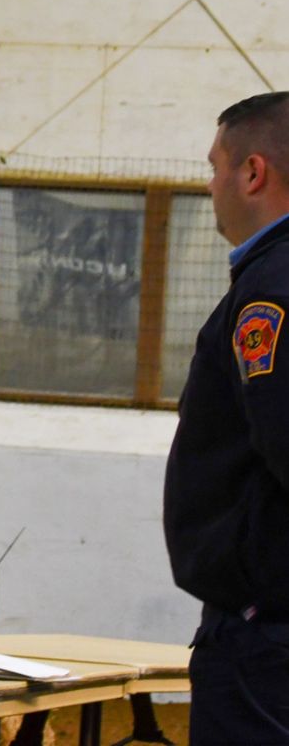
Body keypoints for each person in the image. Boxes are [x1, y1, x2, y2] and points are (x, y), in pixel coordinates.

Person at [164, 91, 289, 743]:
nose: (211, 185)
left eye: (216, 167)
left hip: (264, 632)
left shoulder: (271, 291)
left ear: (253, 173)